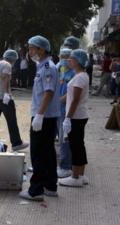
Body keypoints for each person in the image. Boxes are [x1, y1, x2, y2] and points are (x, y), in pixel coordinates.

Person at [19, 35, 60, 201]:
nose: (29, 52)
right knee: (48, 152)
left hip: (44, 117)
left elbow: (48, 93)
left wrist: (39, 116)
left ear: (41, 50)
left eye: (31, 48)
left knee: (38, 153)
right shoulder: (42, 66)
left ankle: (35, 190)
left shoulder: (48, 68)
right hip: (46, 116)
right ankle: (50, 186)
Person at [58, 49, 90, 187]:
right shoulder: (80, 75)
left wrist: (68, 118)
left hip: (75, 117)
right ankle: (81, 175)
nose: (68, 60)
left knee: (75, 146)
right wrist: (58, 100)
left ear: (77, 61)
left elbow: (75, 100)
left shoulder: (80, 77)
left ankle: (75, 177)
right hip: (79, 116)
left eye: (71, 59)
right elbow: (70, 96)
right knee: (79, 145)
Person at [0, 49, 29, 151]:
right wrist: (6, 94)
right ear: (13, 59)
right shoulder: (7, 65)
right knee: (11, 121)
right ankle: (16, 143)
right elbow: (6, 79)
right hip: (4, 98)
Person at [56, 48, 75, 178]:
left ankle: (66, 166)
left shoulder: (74, 73)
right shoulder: (62, 69)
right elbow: (59, 83)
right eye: (61, 56)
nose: (63, 59)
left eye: (65, 57)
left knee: (65, 138)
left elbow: (71, 93)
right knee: (61, 137)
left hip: (66, 109)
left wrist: (58, 100)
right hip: (59, 109)